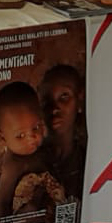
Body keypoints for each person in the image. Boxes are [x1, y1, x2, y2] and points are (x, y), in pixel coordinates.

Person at [0, 81, 62, 219]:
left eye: (36, 128)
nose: (32, 138)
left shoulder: (43, 144)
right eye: (20, 136)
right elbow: (3, 204)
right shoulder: (12, 166)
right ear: (3, 137)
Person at [39, 64, 87, 201]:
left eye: (64, 96)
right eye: (46, 100)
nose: (54, 108)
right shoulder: (29, 161)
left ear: (79, 100)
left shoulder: (90, 160)